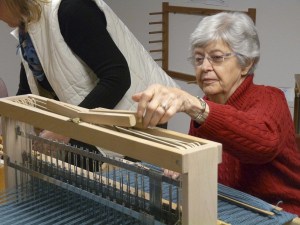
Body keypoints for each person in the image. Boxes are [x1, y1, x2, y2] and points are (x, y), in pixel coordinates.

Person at [132, 12, 300, 215]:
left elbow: (262, 144)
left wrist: (194, 106)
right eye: (198, 59)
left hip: (280, 213)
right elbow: (201, 163)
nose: (204, 67)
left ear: (245, 63)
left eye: (217, 58)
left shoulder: (271, 99)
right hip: (229, 208)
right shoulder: (205, 106)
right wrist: (183, 165)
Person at [0, 0, 177, 158]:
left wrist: (65, 129)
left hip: (137, 118)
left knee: (123, 190)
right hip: (89, 120)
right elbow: (26, 91)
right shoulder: (29, 27)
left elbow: (117, 77)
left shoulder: (71, 9)